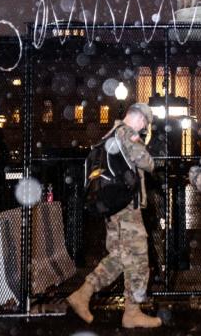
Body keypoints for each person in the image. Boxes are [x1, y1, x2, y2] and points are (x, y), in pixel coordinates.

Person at [66, 102, 161, 329]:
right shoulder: (127, 134)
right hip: (127, 211)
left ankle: (83, 295)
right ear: (138, 118)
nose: (144, 128)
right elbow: (148, 164)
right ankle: (132, 312)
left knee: (119, 257)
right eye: (145, 124)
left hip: (113, 209)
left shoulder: (109, 135)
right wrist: (144, 146)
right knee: (138, 260)